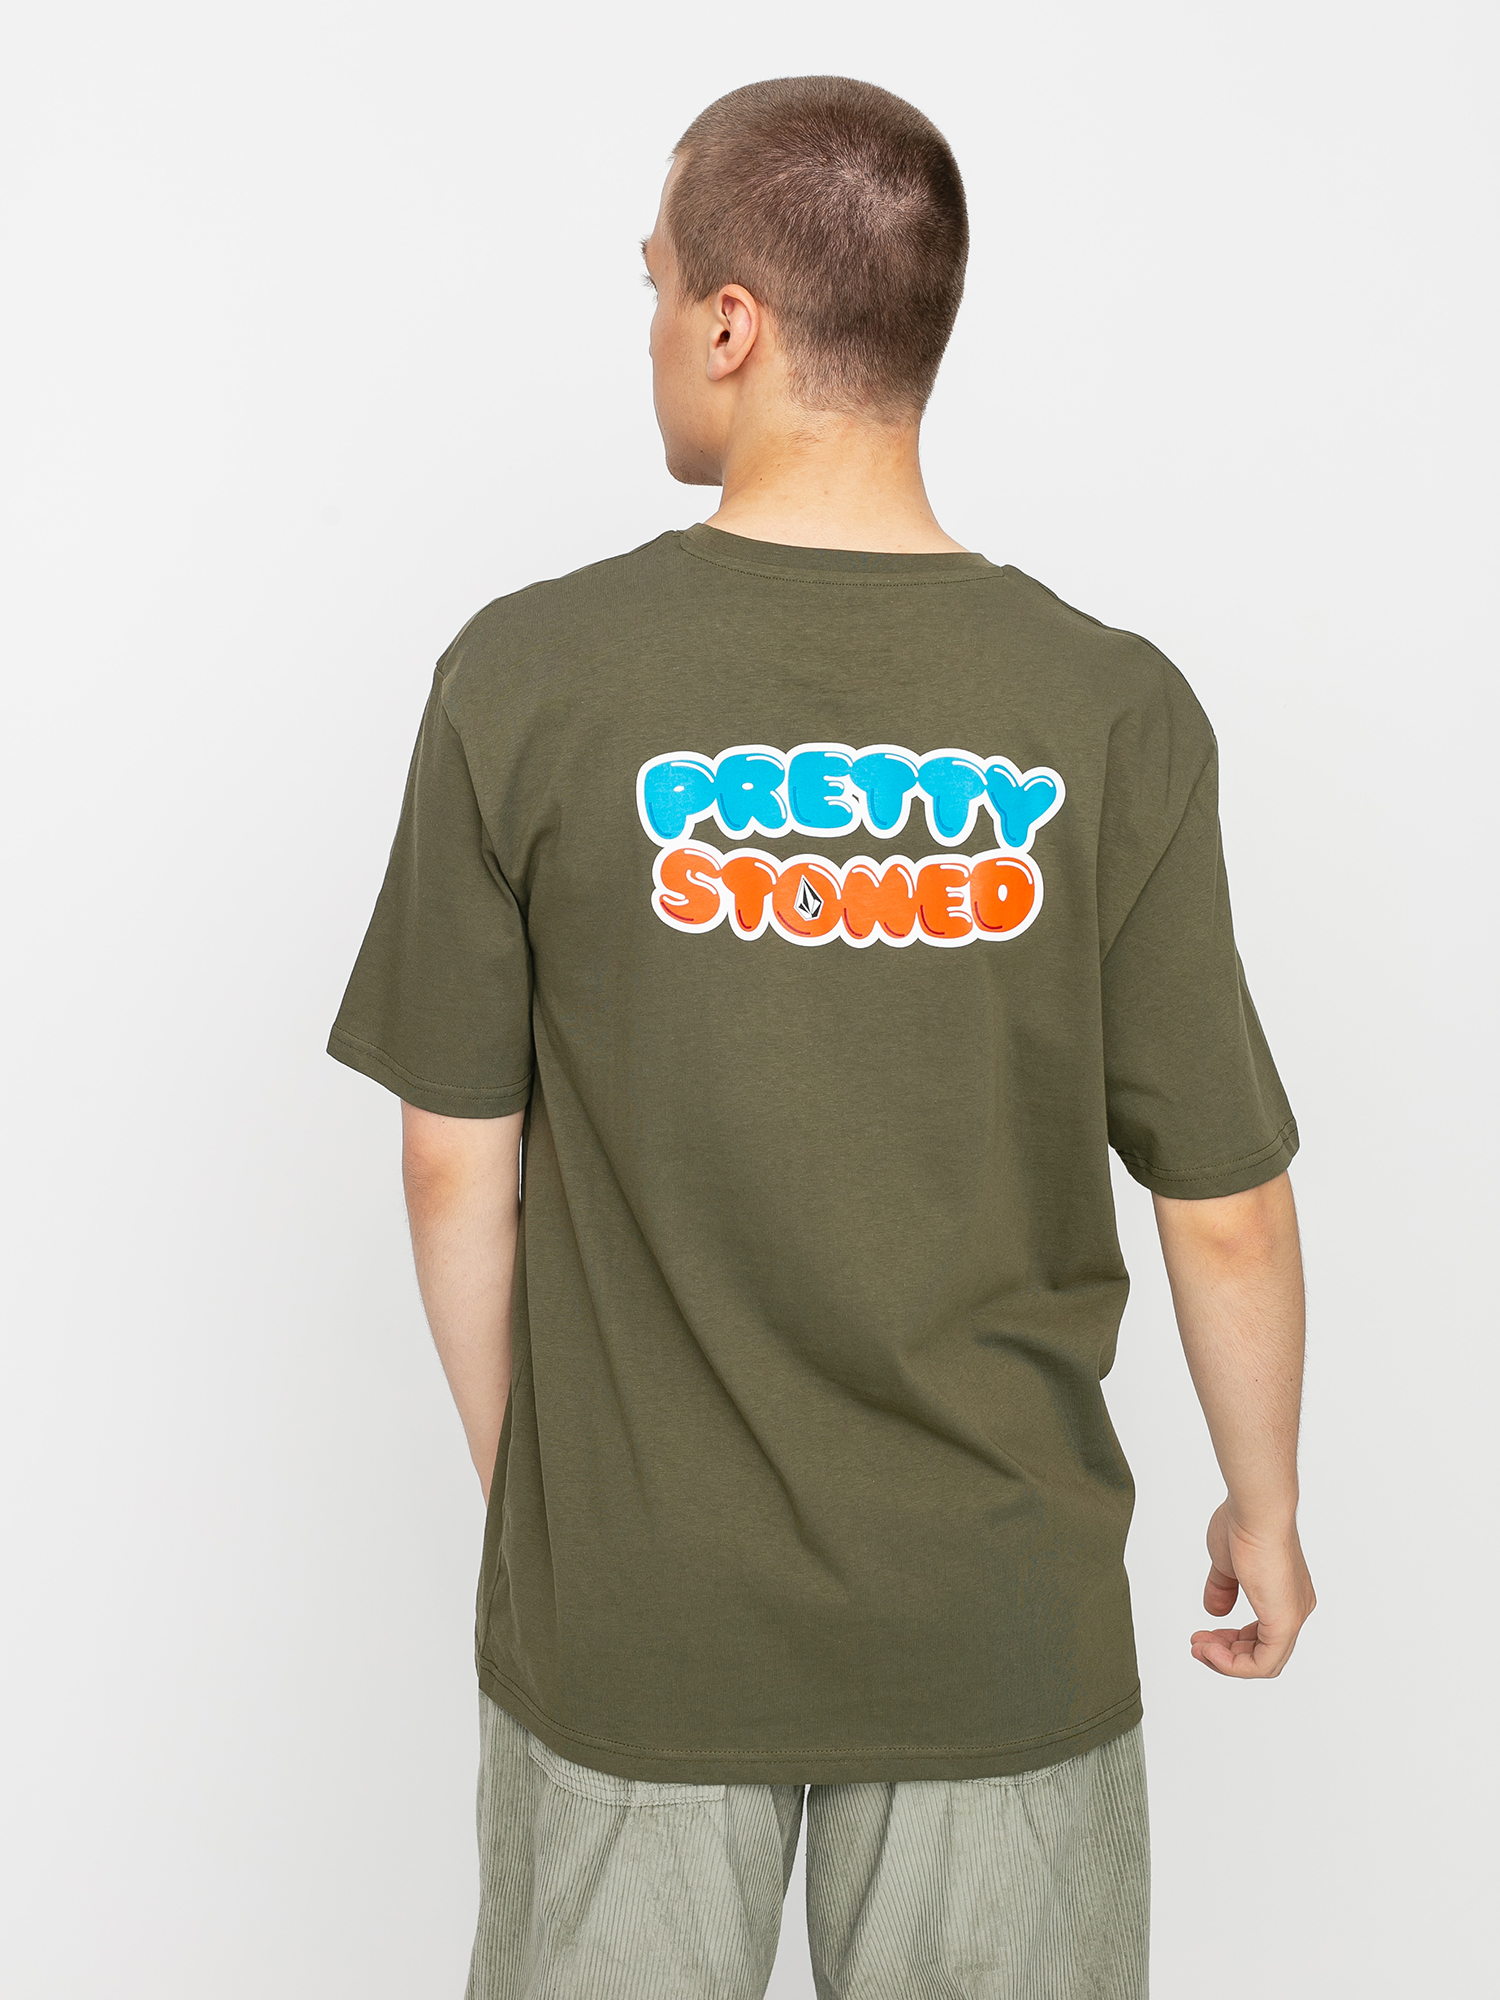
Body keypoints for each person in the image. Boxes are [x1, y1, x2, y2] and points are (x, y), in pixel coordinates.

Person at [328, 74, 1315, 2000]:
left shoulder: (525, 677)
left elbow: (454, 1161)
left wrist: (565, 1511)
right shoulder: (1111, 711)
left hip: (635, 1616)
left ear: (731, 324)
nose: (646, 329)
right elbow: (1228, 1203)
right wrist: (1264, 1507)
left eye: (652, 285)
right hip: (996, 1620)